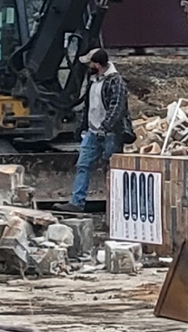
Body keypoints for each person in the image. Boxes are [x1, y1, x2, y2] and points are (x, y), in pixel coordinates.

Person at [54, 47, 131, 212]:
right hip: (92, 132)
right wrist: (81, 127)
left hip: (111, 134)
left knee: (111, 169)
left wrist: (105, 127)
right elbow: (88, 107)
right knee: (83, 165)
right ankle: (76, 203)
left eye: (89, 63)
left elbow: (117, 108)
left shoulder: (115, 81)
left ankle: (118, 206)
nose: (87, 66)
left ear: (97, 64)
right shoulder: (94, 81)